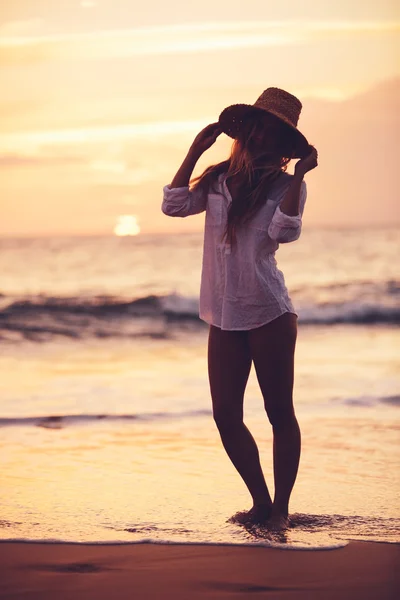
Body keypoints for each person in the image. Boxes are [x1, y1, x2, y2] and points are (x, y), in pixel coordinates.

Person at [161, 87, 318, 529]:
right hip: (223, 315)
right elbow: (173, 205)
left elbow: (285, 232)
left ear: (287, 143)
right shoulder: (216, 179)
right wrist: (196, 148)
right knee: (226, 415)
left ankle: (282, 510)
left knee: (278, 412)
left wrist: (301, 176)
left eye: (275, 129)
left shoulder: (287, 185)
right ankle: (261, 502)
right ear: (247, 128)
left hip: (268, 310)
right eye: (259, 123)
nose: (263, 133)